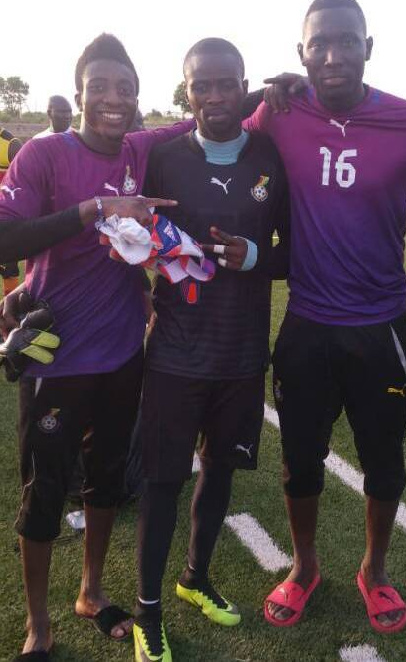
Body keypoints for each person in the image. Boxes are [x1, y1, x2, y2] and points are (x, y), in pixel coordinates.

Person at [245, 0, 406, 633]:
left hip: (382, 325)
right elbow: (214, 144)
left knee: (384, 459)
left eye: (347, 41)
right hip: (307, 323)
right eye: (319, 43)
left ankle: (375, 570)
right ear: (301, 52)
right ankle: (305, 568)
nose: (333, 55)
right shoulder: (278, 113)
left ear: (370, 45)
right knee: (300, 459)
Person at [0, 33, 193, 661]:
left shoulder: (138, 146)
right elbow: (6, 240)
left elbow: (208, 115)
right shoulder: (43, 155)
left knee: (106, 482)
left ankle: (88, 592)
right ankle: (38, 625)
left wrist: (273, 97)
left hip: (120, 359)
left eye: (126, 89)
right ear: (80, 92)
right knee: (43, 491)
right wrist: (96, 207)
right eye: (100, 88)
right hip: (56, 360)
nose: (114, 100)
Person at [132, 37, 290, 662]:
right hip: (174, 354)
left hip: (242, 355)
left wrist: (255, 257)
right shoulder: (164, 160)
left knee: (220, 472)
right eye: (203, 85)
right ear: (186, 89)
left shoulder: (272, 157)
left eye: (228, 83)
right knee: (164, 482)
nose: (216, 96)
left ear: (243, 84)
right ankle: (148, 613)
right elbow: (132, 235)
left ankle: (195, 577)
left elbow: (297, 252)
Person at [1, 127, 23, 296]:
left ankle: (8, 316)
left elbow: (25, 183)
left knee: (8, 267)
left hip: (4, 220)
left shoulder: (11, 144)